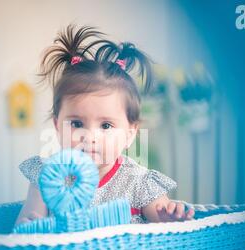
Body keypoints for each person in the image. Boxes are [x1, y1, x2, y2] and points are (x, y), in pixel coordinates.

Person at [15, 24, 194, 225]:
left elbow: (163, 224)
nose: (90, 136)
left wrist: (168, 218)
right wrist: (30, 224)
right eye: (76, 123)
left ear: (130, 133)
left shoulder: (137, 182)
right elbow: (26, 229)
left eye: (106, 126)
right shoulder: (48, 176)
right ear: (57, 126)